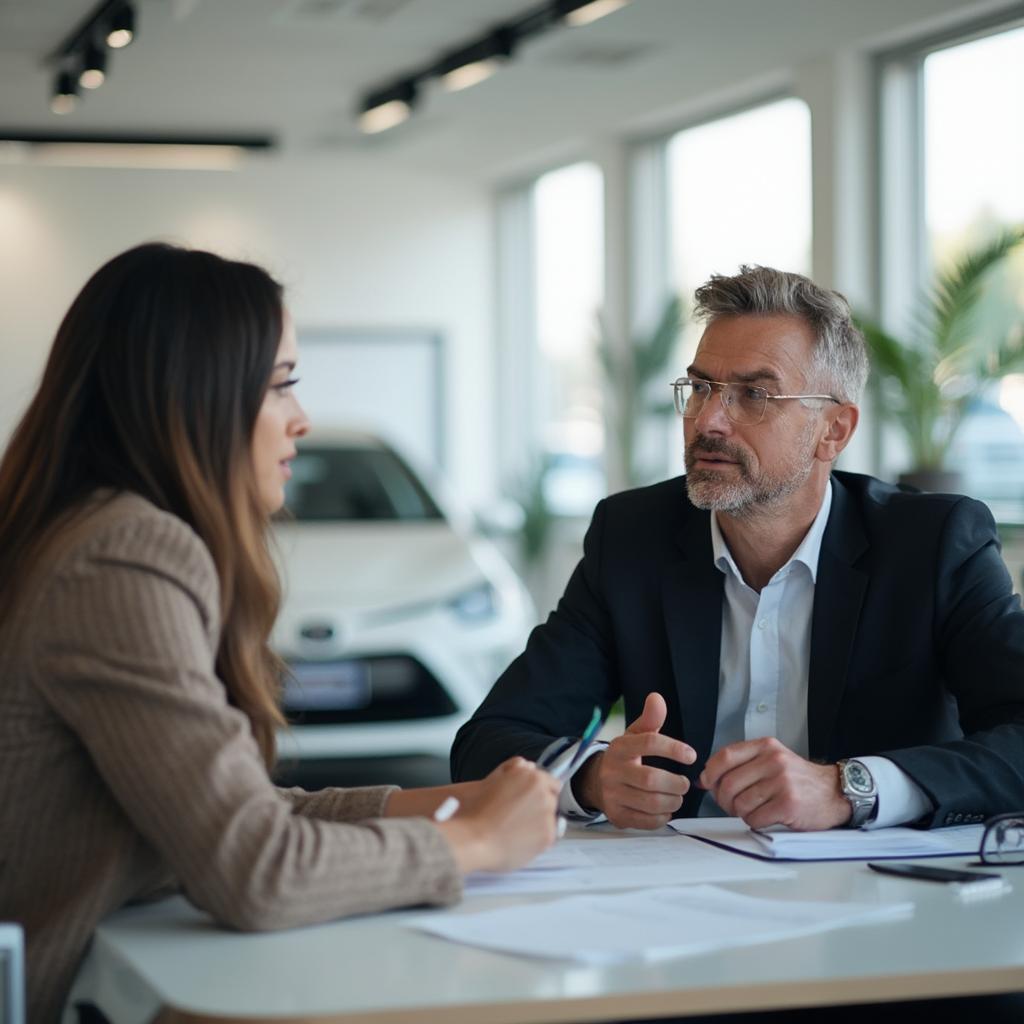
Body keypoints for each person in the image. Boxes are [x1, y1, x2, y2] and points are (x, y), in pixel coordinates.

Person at [0, 243, 560, 1024]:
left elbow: (237, 810)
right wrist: (475, 844)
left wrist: (435, 803)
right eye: (280, 385)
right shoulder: (121, 557)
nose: (302, 419)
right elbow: (256, 868)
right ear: (193, 395)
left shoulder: (84, 531)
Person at [452, 264, 1024, 836]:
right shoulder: (632, 537)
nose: (708, 420)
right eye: (700, 387)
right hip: (679, 888)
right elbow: (489, 739)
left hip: (880, 891)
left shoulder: (934, 543)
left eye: (754, 394)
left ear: (834, 430)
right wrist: (592, 778)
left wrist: (849, 787)